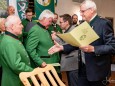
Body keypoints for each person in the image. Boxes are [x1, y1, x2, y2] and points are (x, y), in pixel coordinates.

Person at [48, 0, 115, 86]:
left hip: (96, 71)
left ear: (91, 10)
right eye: (80, 11)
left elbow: (112, 46)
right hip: (82, 68)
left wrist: (93, 49)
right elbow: (77, 43)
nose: (80, 13)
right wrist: (62, 47)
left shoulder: (103, 23)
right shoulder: (83, 24)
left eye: (82, 11)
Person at [23, 10, 60, 76]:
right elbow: (30, 49)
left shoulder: (46, 29)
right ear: (44, 18)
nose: (51, 23)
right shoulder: (35, 30)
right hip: (45, 66)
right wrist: (40, 62)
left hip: (54, 65)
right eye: (50, 21)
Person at [0, 15, 33, 86]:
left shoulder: (11, 38)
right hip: (13, 82)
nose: (22, 26)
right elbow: (16, 65)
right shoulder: (9, 42)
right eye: (20, 24)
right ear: (12, 26)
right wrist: (32, 71)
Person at [51, 14, 78, 86]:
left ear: (66, 22)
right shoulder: (68, 30)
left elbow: (69, 45)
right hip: (70, 63)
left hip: (73, 64)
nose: (59, 24)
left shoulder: (73, 30)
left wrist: (55, 38)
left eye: (61, 22)